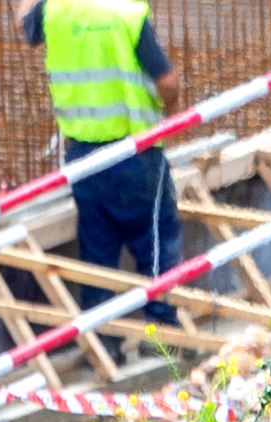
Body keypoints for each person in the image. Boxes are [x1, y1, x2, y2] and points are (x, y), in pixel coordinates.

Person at [27, 0, 176, 311]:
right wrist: (172, 111)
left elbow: (25, 25)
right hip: (136, 151)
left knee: (97, 256)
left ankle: (104, 342)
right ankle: (165, 333)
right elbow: (166, 81)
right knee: (157, 246)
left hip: (83, 157)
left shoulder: (54, 11)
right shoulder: (127, 13)